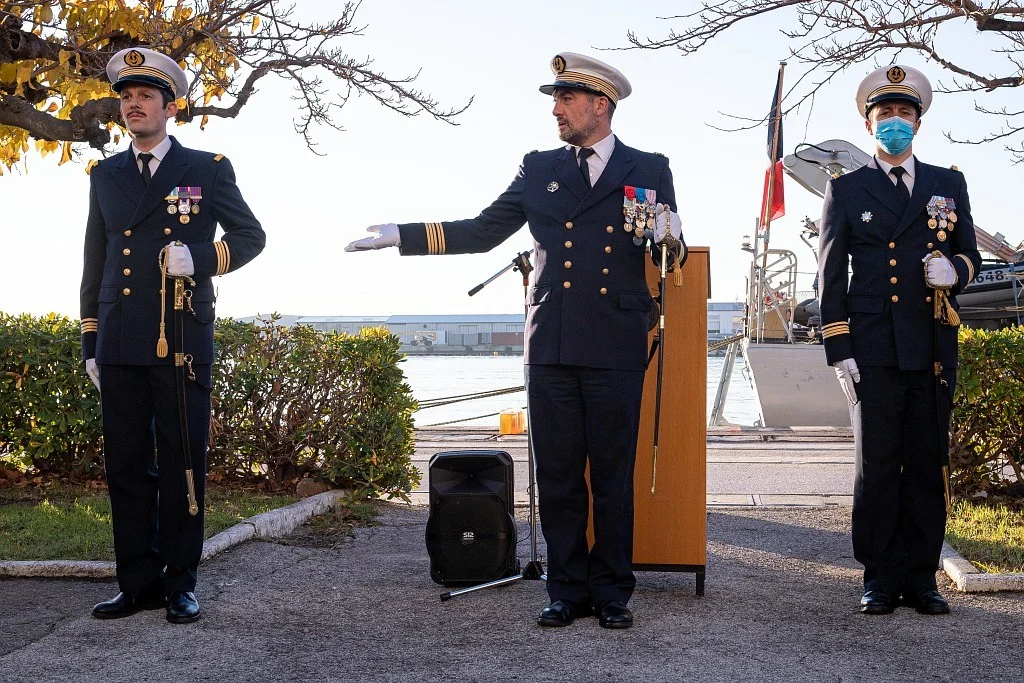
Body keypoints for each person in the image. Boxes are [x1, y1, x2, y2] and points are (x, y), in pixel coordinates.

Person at [346, 52, 685, 629]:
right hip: (553, 341)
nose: (556, 110)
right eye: (555, 100)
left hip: (615, 340)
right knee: (557, 477)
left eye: (566, 99)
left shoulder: (649, 167)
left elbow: (669, 256)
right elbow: (483, 231)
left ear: (599, 105)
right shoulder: (538, 166)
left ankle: (612, 592)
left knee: (611, 477)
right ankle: (565, 589)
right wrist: (403, 234)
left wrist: (670, 237)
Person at [81, 48, 266, 623]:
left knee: (183, 462)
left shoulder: (206, 167)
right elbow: (95, 261)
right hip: (118, 339)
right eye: (126, 96)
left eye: (145, 96)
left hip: (179, 335)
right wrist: (90, 342)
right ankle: (137, 582)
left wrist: (202, 259)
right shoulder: (105, 174)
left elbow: (251, 236)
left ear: (170, 107)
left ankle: (181, 581)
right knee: (126, 468)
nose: (133, 104)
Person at [817, 65, 981, 616]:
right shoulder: (846, 189)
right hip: (873, 348)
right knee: (878, 465)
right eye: (884, 114)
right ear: (869, 125)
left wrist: (955, 271)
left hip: (931, 343)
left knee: (927, 461)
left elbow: (970, 254)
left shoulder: (947, 184)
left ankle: (922, 577)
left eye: (904, 114)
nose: (894, 121)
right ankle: (880, 577)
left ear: (918, 123)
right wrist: (839, 349)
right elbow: (830, 276)